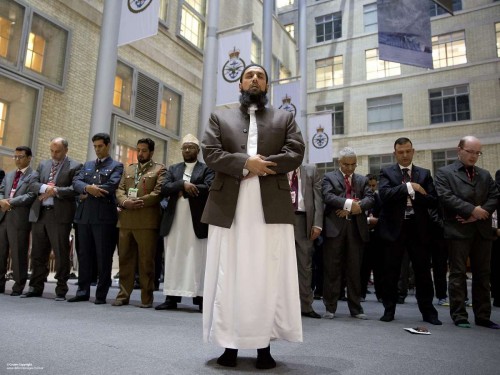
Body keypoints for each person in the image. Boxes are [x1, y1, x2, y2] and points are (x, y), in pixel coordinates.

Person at [201, 64, 305, 369]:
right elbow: (210, 152)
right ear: (240, 85)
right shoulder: (220, 116)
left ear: (268, 85)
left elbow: (296, 151)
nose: (255, 79)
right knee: (229, 274)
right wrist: (246, 163)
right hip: (228, 208)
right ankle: (229, 345)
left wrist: (263, 166)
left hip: (270, 207)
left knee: (267, 274)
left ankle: (264, 347)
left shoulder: (284, 118)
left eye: (260, 76)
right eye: (249, 75)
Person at [435, 136, 499, 329]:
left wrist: (478, 214)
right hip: (457, 230)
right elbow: (445, 196)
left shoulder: (485, 175)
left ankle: (483, 316)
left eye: (477, 153)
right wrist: (471, 210)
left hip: (482, 230)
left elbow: (495, 196)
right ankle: (459, 315)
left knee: (483, 274)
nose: (474, 156)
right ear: (459, 150)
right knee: (458, 273)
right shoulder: (445, 173)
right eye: (470, 151)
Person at [377, 137, 441, 325]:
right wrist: (410, 187)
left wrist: (414, 194)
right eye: (400, 152)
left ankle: (428, 312)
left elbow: (432, 200)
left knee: (422, 272)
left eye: (407, 151)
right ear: (395, 153)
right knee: (392, 272)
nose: (404, 155)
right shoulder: (386, 172)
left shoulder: (424, 173)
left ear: (413, 151)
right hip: (394, 230)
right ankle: (389, 310)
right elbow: (385, 195)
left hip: (418, 228)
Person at [156, 134, 214, 312]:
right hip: (174, 221)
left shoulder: (206, 169)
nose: (187, 150)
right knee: (174, 257)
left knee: (198, 259)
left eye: (191, 147)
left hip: (196, 221)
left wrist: (186, 191)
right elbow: (164, 188)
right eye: (184, 147)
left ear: (198, 150)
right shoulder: (173, 169)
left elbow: (210, 188)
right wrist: (182, 184)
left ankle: (201, 298)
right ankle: (171, 297)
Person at [22, 138, 82, 300]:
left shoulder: (75, 166)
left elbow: (75, 189)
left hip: (59, 215)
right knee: (37, 253)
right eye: (52, 151)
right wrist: (46, 188)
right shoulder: (43, 165)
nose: (54, 154)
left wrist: (55, 191)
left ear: (66, 151)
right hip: (40, 214)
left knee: (61, 254)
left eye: (58, 151)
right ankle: (35, 287)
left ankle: (61, 289)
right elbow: (31, 183)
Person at [68, 133, 123, 304]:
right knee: (84, 254)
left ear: (107, 145)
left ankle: (101, 294)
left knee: (103, 256)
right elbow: (76, 182)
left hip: (103, 217)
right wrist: (88, 188)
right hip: (84, 217)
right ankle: (82, 290)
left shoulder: (116, 165)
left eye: (100, 146)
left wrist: (87, 190)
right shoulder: (88, 165)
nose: (97, 149)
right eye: (95, 146)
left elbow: (111, 186)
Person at [113, 138, 166, 308]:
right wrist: (124, 202)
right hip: (126, 221)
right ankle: (123, 295)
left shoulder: (159, 169)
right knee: (125, 260)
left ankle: (146, 297)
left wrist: (138, 201)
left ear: (151, 152)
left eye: (144, 150)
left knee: (146, 262)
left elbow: (158, 193)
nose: (140, 153)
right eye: (138, 150)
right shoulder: (129, 169)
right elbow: (120, 189)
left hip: (146, 222)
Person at [322, 147, 374, 320]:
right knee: (332, 269)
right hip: (334, 229)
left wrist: (349, 210)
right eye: (346, 164)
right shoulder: (329, 177)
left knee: (355, 270)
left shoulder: (361, 180)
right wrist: (350, 204)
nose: (350, 168)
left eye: (353, 165)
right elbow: (328, 197)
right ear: (339, 162)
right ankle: (330, 307)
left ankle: (356, 308)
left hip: (356, 229)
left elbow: (370, 199)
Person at [0, 147, 37, 295]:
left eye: (20, 157)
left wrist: (11, 201)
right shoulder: (9, 175)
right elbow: (1, 190)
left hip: (19, 219)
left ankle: (18, 285)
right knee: (1, 253)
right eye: (15, 157)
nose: (17, 160)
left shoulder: (34, 175)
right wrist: (1, 200)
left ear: (29, 158)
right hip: (3, 217)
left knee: (18, 253)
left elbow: (31, 195)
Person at [289, 164, 323, 319]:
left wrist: (317, 224)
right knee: (279, 265)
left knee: (305, 266)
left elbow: (318, 198)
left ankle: (306, 306)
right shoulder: (278, 168)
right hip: (282, 220)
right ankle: (282, 306)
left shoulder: (311, 171)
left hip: (304, 221)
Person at [360, 174, 383, 302]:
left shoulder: (379, 198)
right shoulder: (360, 198)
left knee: (378, 267)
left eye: (374, 185)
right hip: (363, 236)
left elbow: (383, 217)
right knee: (363, 267)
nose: (372, 188)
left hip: (376, 237)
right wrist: (369, 220)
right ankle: (361, 293)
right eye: (369, 186)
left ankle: (380, 295)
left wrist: (376, 221)